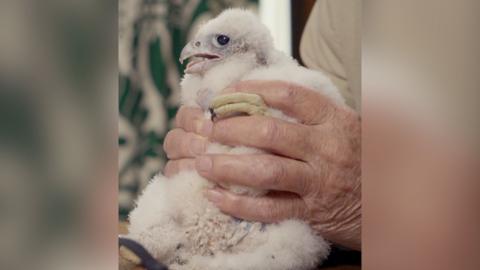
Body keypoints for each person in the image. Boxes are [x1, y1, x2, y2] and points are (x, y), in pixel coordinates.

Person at [163, 0, 361, 251]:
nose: (195, 49)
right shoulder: (337, 10)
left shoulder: (284, 78)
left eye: (221, 41)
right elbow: (327, 144)